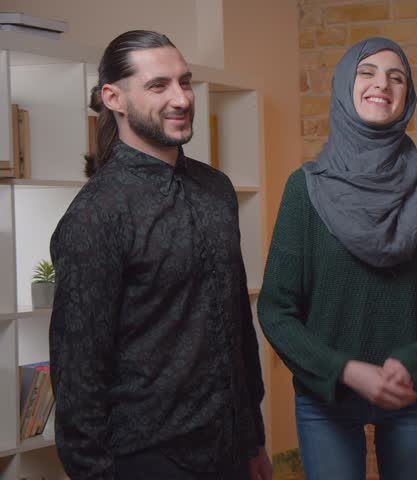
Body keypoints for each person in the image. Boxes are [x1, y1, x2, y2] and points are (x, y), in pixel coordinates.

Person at [257, 37, 417, 480]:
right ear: (346, 85)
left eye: (396, 76)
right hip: (325, 399)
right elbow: (276, 309)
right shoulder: (303, 188)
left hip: (412, 396)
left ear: (407, 96)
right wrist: (343, 369)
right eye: (367, 72)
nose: (381, 83)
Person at [49, 30, 271, 480]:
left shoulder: (217, 190)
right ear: (114, 97)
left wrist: (253, 441)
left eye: (184, 82)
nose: (181, 98)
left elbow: (237, 328)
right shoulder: (96, 215)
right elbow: (77, 374)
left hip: (230, 449)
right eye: (158, 86)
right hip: (148, 459)